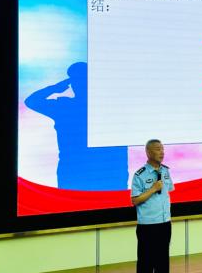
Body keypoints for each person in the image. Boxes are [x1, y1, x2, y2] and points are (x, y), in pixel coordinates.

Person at [24, 62, 128, 190]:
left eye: (81, 80)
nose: (78, 84)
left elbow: (32, 101)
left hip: (101, 176)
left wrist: (55, 88)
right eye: (75, 81)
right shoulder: (66, 107)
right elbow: (31, 101)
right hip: (78, 175)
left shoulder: (109, 107)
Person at [131, 139, 177, 273]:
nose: (162, 152)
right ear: (148, 152)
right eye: (158, 149)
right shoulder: (140, 174)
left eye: (162, 149)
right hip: (148, 225)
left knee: (163, 261)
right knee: (146, 262)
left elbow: (167, 191)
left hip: (165, 223)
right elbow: (135, 200)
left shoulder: (165, 171)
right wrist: (152, 189)